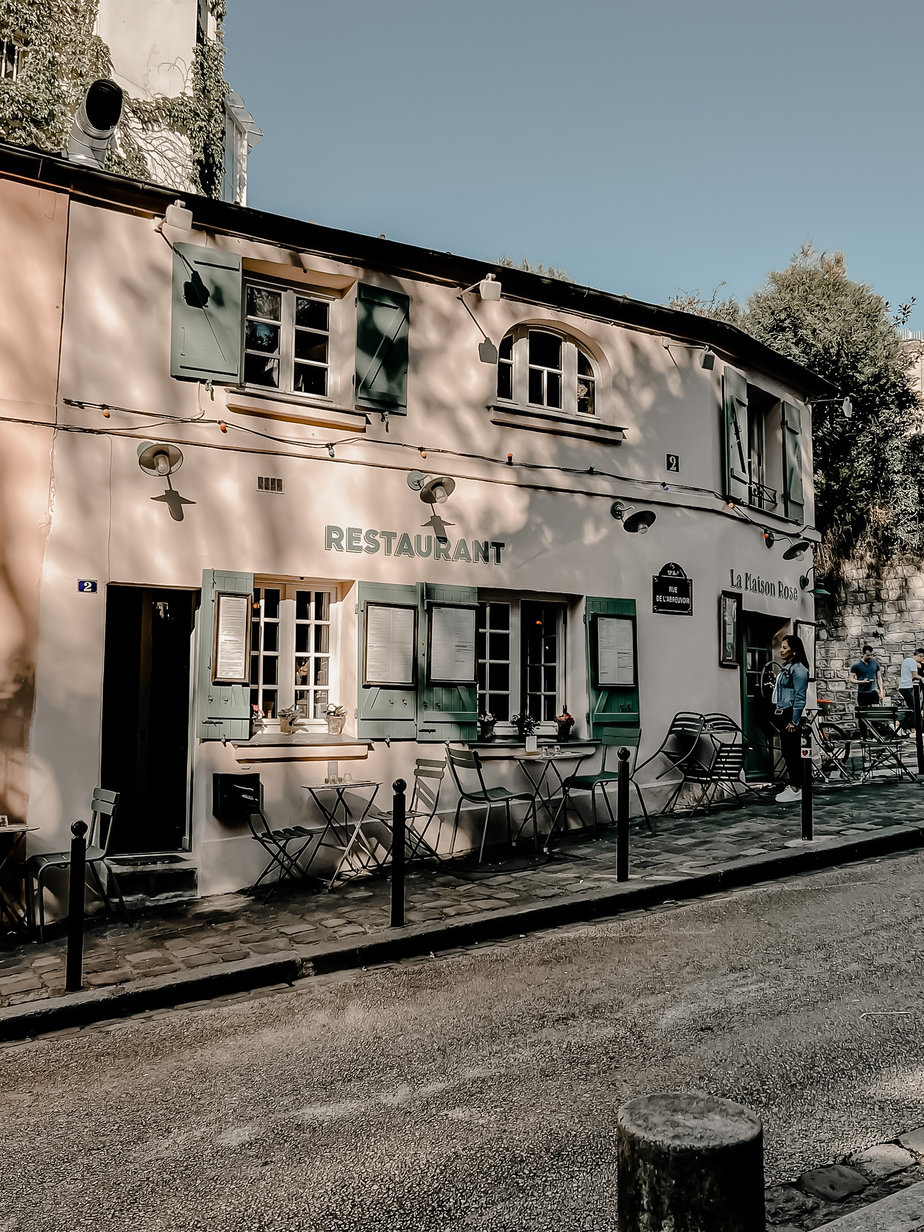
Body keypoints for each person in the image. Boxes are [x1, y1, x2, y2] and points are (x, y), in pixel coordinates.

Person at [772, 633, 810, 804]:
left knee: (793, 752)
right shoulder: (788, 667)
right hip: (782, 711)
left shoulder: (799, 670)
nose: (781, 650)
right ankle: (795, 785)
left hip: (790, 714)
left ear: (794, 651)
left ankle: (797, 787)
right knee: (787, 752)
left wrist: (794, 721)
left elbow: (800, 697)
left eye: (785, 647)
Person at [898, 648, 924, 732]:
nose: (921, 661)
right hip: (908, 687)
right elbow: (915, 675)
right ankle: (902, 726)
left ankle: (903, 726)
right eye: (922, 658)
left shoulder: (907, 660)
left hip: (903, 687)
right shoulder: (912, 662)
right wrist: (922, 678)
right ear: (920, 656)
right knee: (915, 708)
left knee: (911, 708)